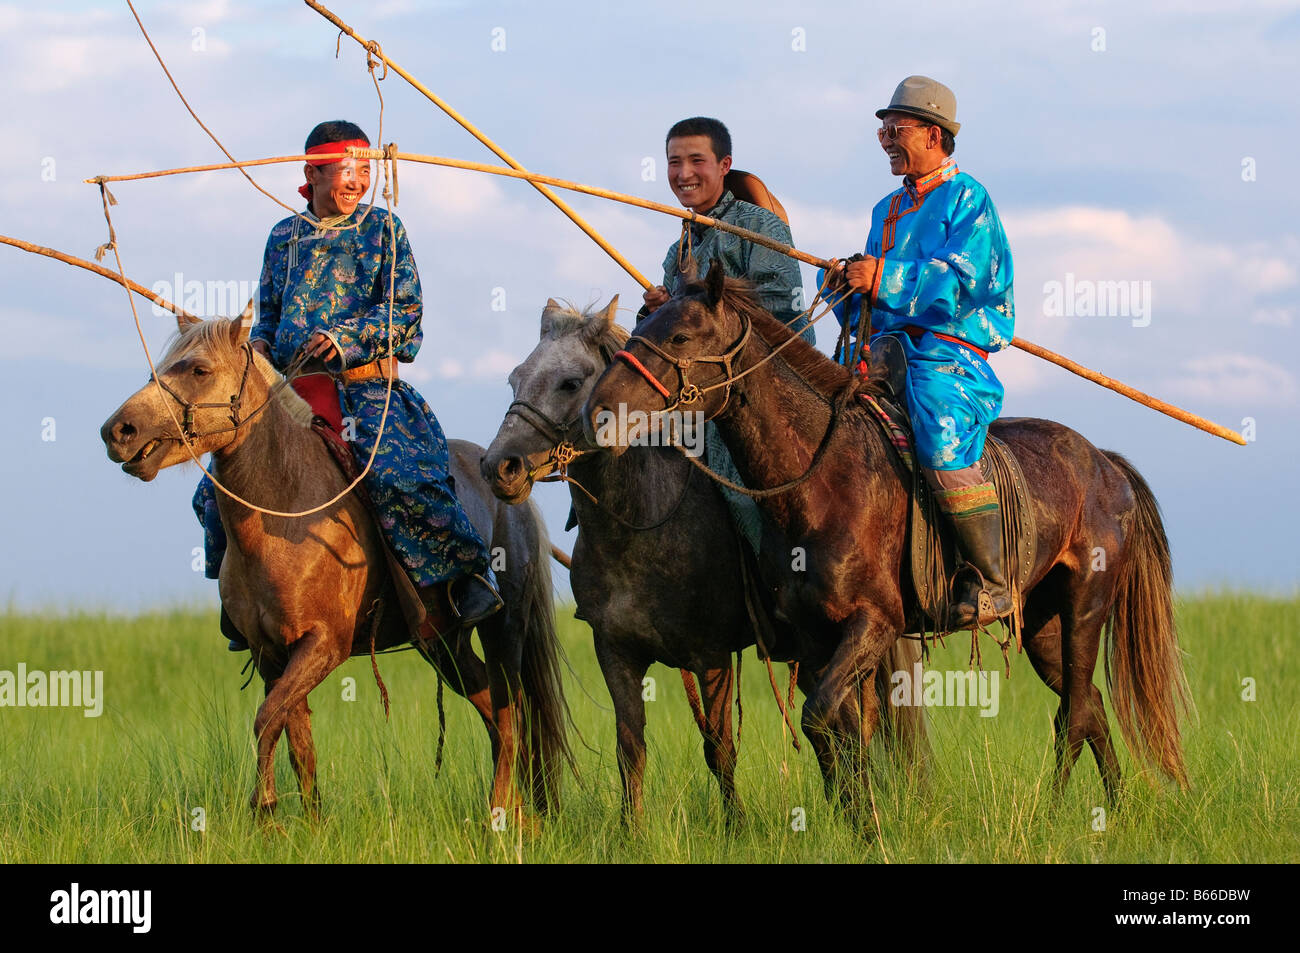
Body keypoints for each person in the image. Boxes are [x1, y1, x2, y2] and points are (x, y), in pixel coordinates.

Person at [193, 120, 499, 650]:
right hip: (287, 397)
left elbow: (407, 315)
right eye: (343, 171)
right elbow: (267, 317)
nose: (356, 181)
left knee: (403, 480)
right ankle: (244, 606)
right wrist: (259, 348)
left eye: (364, 170)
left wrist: (344, 340)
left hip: (368, 393)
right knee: (214, 489)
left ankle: (464, 583)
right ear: (311, 174)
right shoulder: (282, 238)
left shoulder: (384, 230)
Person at [820, 77, 1016, 628]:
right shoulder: (887, 208)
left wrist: (882, 275)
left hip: (948, 354)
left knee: (935, 428)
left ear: (933, 134)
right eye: (882, 128)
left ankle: (994, 582)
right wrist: (846, 285)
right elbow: (875, 306)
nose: (884, 137)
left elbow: (969, 279)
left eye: (895, 128)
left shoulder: (970, 198)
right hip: (884, 353)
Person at [638, 117, 813, 556]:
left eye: (697, 161)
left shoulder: (758, 226)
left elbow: (785, 315)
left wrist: (706, 317)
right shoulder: (679, 250)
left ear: (724, 165)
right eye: (674, 162)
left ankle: (777, 596)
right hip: (695, 398)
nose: (684, 174)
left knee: (743, 498)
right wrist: (656, 313)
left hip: (761, 399)